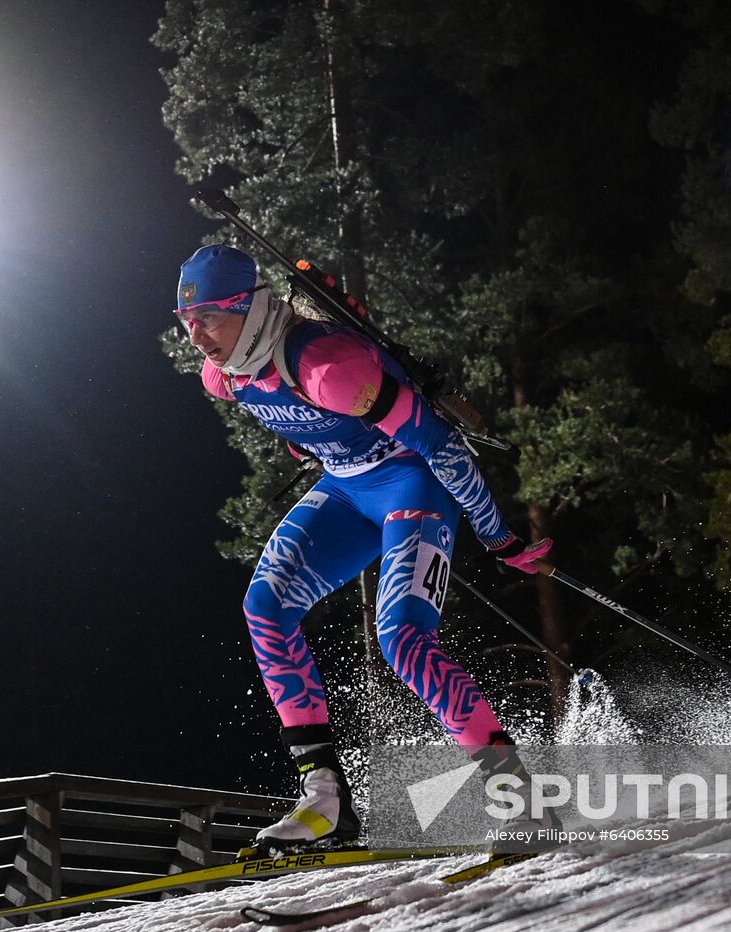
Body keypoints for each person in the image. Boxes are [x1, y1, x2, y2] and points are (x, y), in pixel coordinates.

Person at [176, 243, 558, 857]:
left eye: (209, 318)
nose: (197, 336)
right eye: (186, 323)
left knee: (401, 638)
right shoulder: (221, 375)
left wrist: (498, 537)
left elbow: (445, 448)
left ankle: (522, 799)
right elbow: (290, 418)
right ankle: (325, 802)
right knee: (265, 608)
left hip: (414, 480)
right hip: (348, 490)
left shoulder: (330, 366)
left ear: (250, 308)